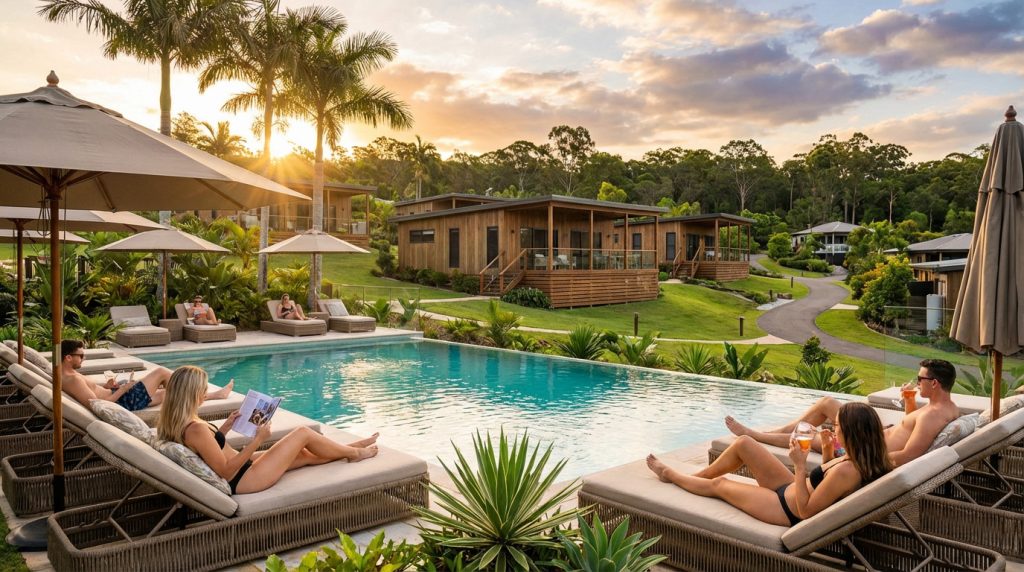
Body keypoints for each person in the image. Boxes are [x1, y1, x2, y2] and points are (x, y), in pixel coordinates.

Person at [647, 402, 892, 526]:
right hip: (791, 490)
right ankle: (698, 477)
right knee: (744, 443)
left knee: (720, 485)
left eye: (837, 426)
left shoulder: (849, 471)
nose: (832, 429)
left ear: (852, 432)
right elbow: (827, 484)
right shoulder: (858, 459)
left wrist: (798, 465)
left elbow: (807, 512)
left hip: (787, 509)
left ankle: (670, 474)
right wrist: (828, 451)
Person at [158, 366, 378, 494]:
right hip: (245, 478)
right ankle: (356, 453)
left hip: (243, 466)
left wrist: (224, 428)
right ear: (191, 393)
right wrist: (258, 439)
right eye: (203, 390)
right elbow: (225, 471)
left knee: (302, 454)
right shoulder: (194, 428)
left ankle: (349, 449)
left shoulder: (183, 422)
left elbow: (208, 449)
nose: (206, 393)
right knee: (303, 433)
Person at [724, 359, 960, 467]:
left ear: (935, 383)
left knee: (808, 436)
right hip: (874, 435)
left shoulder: (933, 415)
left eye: (921, 379)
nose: (917, 382)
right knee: (827, 403)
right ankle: (774, 431)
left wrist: (857, 458)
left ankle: (755, 435)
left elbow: (909, 456)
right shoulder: (944, 408)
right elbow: (910, 424)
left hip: (866, 448)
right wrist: (910, 399)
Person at [60, 339, 233, 411]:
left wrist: (108, 386)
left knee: (168, 393)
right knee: (161, 372)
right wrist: (125, 388)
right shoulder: (72, 379)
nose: (83, 358)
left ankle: (212, 395)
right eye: (80, 356)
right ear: (68, 357)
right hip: (123, 401)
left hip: (118, 395)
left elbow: (94, 393)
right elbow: (96, 404)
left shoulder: (68, 373)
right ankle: (198, 388)